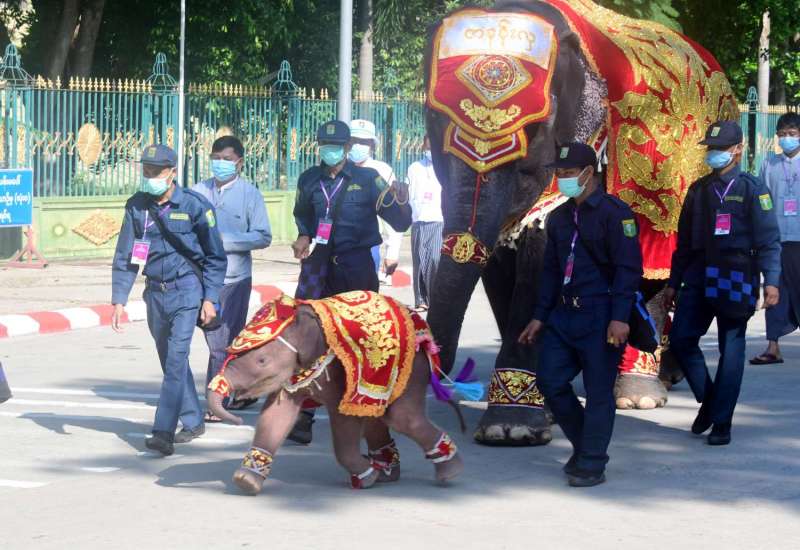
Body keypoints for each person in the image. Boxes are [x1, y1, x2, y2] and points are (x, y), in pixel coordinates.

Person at [519, 142, 643, 487]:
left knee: (599, 391)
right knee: (549, 381)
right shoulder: (559, 217)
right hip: (563, 313)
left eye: (569, 173)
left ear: (589, 173)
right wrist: (539, 316)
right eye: (559, 173)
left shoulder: (616, 214)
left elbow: (628, 268)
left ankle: (592, 461)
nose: (562, 179)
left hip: (601, 313)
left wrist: (620, 316)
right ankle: (585, 444)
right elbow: (551, 271)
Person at [290, 120, 412, 443]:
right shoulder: (309, 179)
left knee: (361, 340)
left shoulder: (368, 179)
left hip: (357, 267)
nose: (330, 151)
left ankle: (367, 412)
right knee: (312, 338)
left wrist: (402, 200)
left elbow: (400, 221)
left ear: (346, 148)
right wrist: (303, 235)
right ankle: (304, 415)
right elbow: (303, 215)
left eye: (336, 146)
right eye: (325, 146)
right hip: (319, 268)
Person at [664, 120, 781, 446]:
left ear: (738, 149)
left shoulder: (753, 189)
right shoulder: (698, 190)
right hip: (698, 274)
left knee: (731, 348)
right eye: (711, 149)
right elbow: (683, 242)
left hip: (736, 274)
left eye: (720, 148)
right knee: (681, 339)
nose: (714, 154)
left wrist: (771, 281)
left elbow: (769, 240)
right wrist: (673, 281)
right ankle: (710, 400)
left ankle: (722, 421)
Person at [111, 144, 227, 456]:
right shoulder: (136, 207)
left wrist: (210, 298)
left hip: (187, 290)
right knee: (170, 361)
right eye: (146, 170)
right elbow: (126, 255)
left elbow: (215, 257)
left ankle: (163, 431)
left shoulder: (194, 205)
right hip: (155, 293)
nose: (149, 176)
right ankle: (193, 419)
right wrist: (119, 299)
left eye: (156, 171)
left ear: (172, 172)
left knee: (176, 359)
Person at [193, 135, 272, 421]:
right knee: (218, 341)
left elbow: (263, 236)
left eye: (227, 159)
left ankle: (218, 400)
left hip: (234, 278)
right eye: (216, 158)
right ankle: (244, 388)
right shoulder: (197, 192)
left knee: (223, 341)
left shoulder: (250, 195)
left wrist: (224, 241)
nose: (221, 163)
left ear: (239, 162)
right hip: (200, 277)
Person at [751, 113, 800, 365]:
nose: (786, 138)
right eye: (782, 134)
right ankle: (773, 347)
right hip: (776, 240)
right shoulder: (769, 164)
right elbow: (762, 200)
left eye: (792, 134)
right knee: (774, 290)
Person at [347, 119, 404, 285]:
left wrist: (392, 252)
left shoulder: (382, 171)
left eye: (364, 142)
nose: (358, 145)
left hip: (367, 247)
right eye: (354, 140)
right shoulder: (336, 169)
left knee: (365, 297)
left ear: (372, 145)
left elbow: (393, 214)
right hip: (334, 248)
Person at [407, 135, 443, 311]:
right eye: (428, 148)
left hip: (439, 219)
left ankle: (435, 299)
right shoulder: (415, 168)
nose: (431, 151)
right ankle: (421, 299)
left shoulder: (446, 168)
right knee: (419, 261)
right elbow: (409, 192)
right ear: (423, 147)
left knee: (435, 259)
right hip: (418, 219)